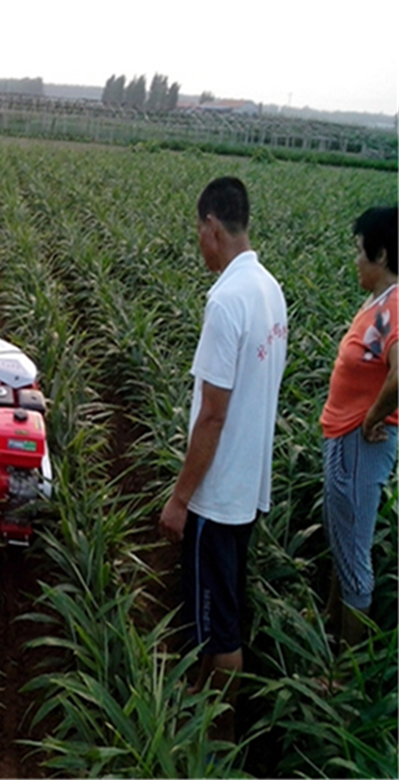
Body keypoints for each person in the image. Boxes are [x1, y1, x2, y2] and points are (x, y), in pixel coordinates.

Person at [158, 177, 288, 737]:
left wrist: (181, 497)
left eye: (199, 234)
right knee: (219, 611)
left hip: (216, 496)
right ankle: (198, 699)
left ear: (213, 227)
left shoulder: (226, 300)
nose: (199, 245)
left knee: (222, 630)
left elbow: (211, 414)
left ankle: (215, 742)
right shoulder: (269, 290)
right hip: (247, 487)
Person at [320, 205, 398, 650]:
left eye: (360, 252)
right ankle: (330, 634)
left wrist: (370, 420)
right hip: (345, 439)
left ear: (382, 254)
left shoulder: (395, 306)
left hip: (358, 443)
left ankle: (345, 675)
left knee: (353, 558)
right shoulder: (381, 302)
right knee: (342, 541)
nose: (356, 261)